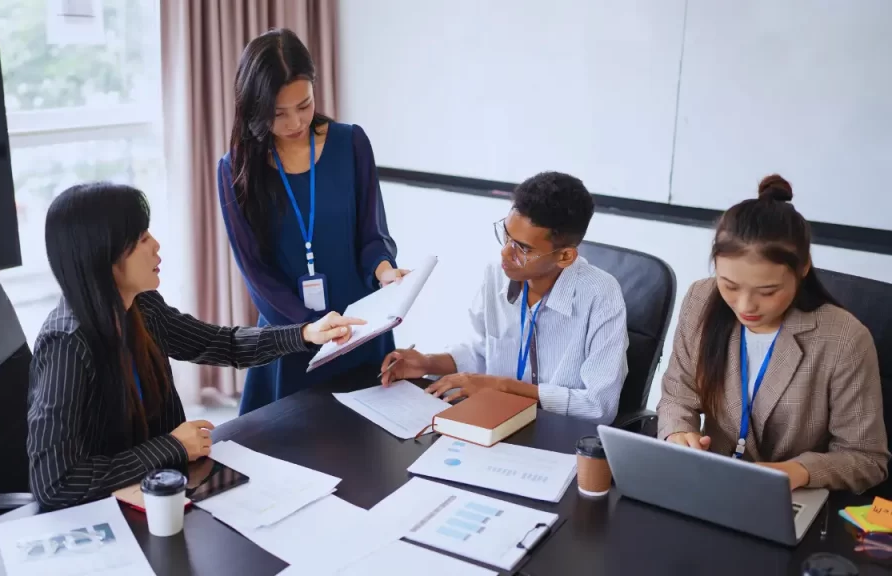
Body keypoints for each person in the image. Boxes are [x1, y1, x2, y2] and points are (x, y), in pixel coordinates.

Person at [27, 182, 364, 510]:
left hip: (162, 493)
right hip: (109, 518)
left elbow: (221, 343)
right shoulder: (67, 345)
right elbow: (55, 482)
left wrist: (306, 333)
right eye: (142, 238)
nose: (156, 245)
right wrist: (170, 447)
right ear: (104, 255)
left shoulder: (141, 306)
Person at [657, 175, 889, 493]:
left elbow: (866, 458)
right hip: (710, 485)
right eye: (730, 285)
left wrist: (797, 471)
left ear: (803, 268)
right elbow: (677, 396)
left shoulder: (844, 339)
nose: (745, 305)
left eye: (767, 291)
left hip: (790, 497)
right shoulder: (701, 299)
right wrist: (678, 433)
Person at [218, 28, 407, 414]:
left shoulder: (350, 143)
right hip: (290, 335)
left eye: (303, 105)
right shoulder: (236, 169)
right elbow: (256, 272)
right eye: (278, 113)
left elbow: (372, 234)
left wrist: (384, 270)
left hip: (358, 326)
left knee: (371, 455)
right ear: (254, 107)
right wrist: (307, 327)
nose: (295, 122)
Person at [380, 171, 629, 425]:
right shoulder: (496, 275)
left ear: (565, 256)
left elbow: (599, 407)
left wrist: (502, 387)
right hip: (495, 421)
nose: (505, 253)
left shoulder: (601, 295)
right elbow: (478, 354)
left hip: (560, 434)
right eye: (507, 235)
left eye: (523, 248)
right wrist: (426, 363)